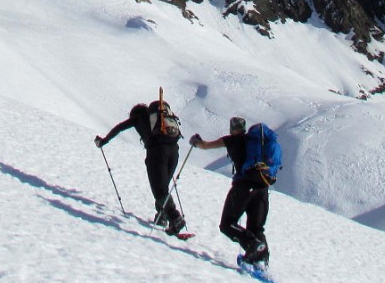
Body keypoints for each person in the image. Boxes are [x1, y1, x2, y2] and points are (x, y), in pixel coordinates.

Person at [95, 100, 186, 236]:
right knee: (163, 187)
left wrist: (104, 141)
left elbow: (119, 128)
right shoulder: (159, 120)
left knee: (159, 190)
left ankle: (175, 217)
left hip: (156, 153)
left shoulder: (137, 118)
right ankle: (162, 217)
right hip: (174, 151)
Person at [190, 116, 270, 265]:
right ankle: (262, 258)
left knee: (227, 224)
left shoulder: (231, 140)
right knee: (256, 227)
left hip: (243, 187)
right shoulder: (255, 142)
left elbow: (206, 146)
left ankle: (252, 245)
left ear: (232, 128)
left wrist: (195, 141)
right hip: (262, 187)